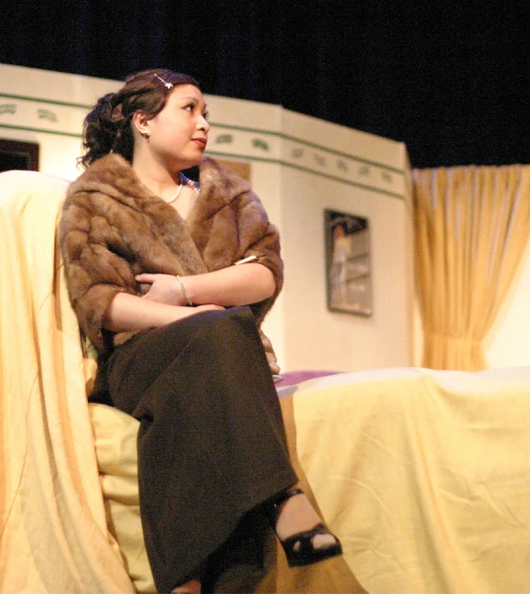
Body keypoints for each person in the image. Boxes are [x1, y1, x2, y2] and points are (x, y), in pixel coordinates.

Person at [59, 69, 342, 594]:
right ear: (143, 121)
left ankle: (192, 582)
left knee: (205, 386)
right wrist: (200, 317)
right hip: (141, 357)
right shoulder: (96, 196)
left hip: (223, 348)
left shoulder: (227, 190)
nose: (204, 124)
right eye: (189, 109)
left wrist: (186, 292)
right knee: (221, 334)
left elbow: (265, 271)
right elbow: (101, 301)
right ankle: (282, 497)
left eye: (206, 112)